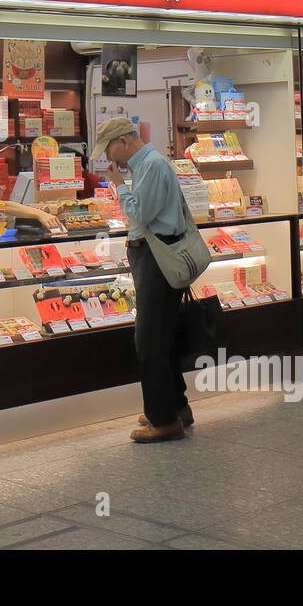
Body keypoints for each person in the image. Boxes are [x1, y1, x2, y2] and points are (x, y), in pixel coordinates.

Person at [95, 117, 193, 443]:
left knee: (149, 340)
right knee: (163, 336)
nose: (111, 158)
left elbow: (140, 214)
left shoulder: (150, 165)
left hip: (156, 258)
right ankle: (175, 406)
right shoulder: (148, 165)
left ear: (124, 140)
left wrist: (118, 185)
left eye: (110, 149)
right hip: (156, 256)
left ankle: (163, 420)